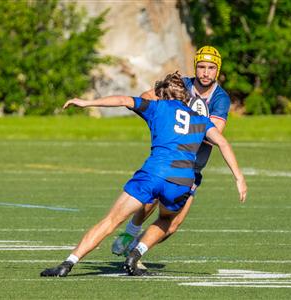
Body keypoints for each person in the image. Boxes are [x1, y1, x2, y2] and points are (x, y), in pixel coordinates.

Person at [40, 71, 247, 277]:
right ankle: (136, 253)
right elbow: (221, 142)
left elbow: (122, 100)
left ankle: (68, 264)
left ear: (163, 94)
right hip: (182, 181)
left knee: (111, 221)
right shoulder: (200, 120)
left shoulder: (157, 107)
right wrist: (239, 177)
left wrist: (87, 103)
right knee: (167, 221)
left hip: (153, 174)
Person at [111, 46, 234, 260]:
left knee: (173, 224)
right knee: (148, 202)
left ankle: (136, 251)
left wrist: (182, 122)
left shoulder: (220, 99)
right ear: (195, 67)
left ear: (218, 70)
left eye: (211, 68)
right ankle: (130, 234)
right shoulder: (182, 85)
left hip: (192, 168)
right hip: (167, 158)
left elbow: (215, 133)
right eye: (202, 67)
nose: (206, 72)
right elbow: (147, 96)